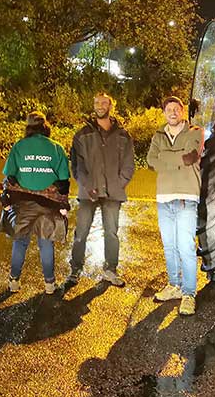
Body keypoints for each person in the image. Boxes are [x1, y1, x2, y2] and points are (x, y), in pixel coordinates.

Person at [67, 93, 135, 287]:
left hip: (113, 193)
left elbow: (129, 164)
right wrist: (87, 187)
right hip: (88, 194)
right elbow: (77, 166)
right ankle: (75, 269)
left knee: (112, 233)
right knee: (81, 233)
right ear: (93, 105)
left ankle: (110, 270)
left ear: (111, 105)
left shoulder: (123, 135)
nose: (100, 105)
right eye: (97, 102)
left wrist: (118, 184)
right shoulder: (82, 135)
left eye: (104, 102)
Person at [0, 112, 71, 295]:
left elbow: (10, 176)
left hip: (23, 205)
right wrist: (62, 202)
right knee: (46, 242)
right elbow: (63, 182)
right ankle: (49, 284)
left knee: (20, 242)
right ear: (46, 126)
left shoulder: (19, 146)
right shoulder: (57, 148)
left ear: (28, 127)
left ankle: (14, 281)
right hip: (48, 205)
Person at [146, 96, 204, 316]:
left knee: (185, 247)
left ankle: (189, 294)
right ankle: (174, 286)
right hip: (164, 199)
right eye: (168, 109)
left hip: (186, 197)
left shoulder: (194, 132)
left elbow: (190, 157)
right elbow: (151, 161)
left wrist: (165, 157)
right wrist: (173, 159)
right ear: (164, 113)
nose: (172, 112)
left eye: (176, 109)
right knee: (169, 246)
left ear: (182, 111)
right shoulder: (158, 135)